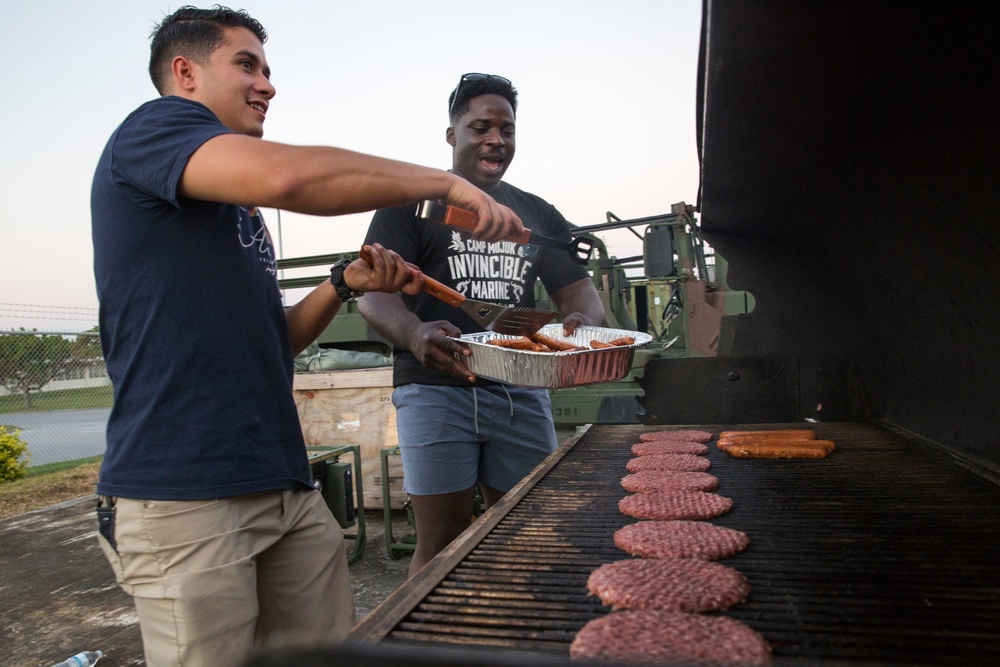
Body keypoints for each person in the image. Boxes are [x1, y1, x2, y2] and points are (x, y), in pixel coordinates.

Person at [90, 8, 524, 667]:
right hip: (184, 490)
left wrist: (343, 283)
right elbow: (290, 176)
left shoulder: (233, 206)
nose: (267, 84)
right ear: (184, 73)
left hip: (280, 482)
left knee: (326, 653)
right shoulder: (154, 131)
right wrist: (444, 182)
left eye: (267, 68)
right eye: (246, 64)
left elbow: (277, 340)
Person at [358, 73, 605, 575]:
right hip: (434, 391)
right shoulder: (411, 203)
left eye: (507, 129)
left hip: (520, 390)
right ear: (453, 135)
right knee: (442, 540)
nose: (496, 139)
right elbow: (373, 295)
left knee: (528, 528)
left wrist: (583, 321)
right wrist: (413, 332)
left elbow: (579, 292)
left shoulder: (536, 213)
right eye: (480, 127)